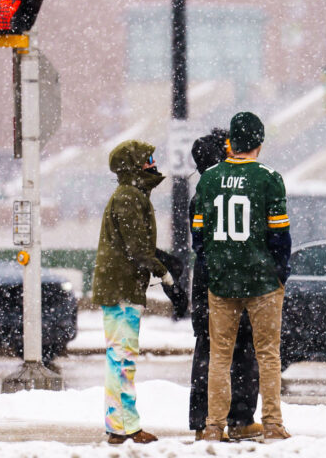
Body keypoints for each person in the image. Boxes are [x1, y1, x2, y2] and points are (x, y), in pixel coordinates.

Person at [192, 112, 293, 442]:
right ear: (259, 145)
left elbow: (198, 237)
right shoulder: (269, 178)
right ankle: (273, 423)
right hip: (261, 280)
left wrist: (215, 266)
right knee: (267, 354)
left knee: (219, 356)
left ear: (231, 143)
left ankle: (212, 426)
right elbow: (280, 234)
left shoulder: (207, 179)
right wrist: (280, 271)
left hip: (221, 282)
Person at [91, 139, 174, 445]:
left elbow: (135, 245)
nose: (153, 164)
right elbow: (137, 248)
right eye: (148, 159)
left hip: (120, 288)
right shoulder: (128, 197)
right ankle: (124, 427)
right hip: (121, 290)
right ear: (135, 166)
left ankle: (120, 424)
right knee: (122, 358)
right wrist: (162, 271)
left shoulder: (131, 195)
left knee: (120, 357)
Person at [189, 129, 261, 441]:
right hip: (224, 285)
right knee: (229, 351)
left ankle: (225, 420)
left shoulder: (208, 195)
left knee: (224, 351)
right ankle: (224, 420)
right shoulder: (215, 196)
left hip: (217, 283)